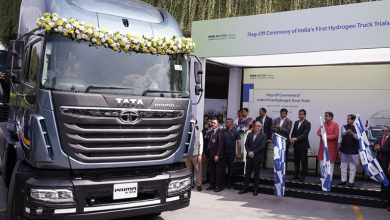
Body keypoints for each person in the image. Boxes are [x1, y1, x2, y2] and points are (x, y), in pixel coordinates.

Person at [238, 121, 267, 196]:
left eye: (258, 126)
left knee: (256, 174)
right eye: (255, 125)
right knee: (247, 173)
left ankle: (255, 189)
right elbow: (246, 144)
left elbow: (262, 146)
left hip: (257, 157)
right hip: (249, 157)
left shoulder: (263, 135)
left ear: (261, 127)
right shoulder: (250, 134)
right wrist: (249, 152)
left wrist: (253, 152)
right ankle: (245, 188)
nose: (256, 127)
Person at [316, 111, 339, 184]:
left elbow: (335, 135)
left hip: (331, 148)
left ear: (331, 117)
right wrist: (321, 134)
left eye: (326, 116)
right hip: (323, 147)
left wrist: (326, 137)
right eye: (324, 116)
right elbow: (318, 132)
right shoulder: (323, 124)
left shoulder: (335, 125)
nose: (325, 117)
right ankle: (322, 178)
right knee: (322, 164)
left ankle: (329, 179)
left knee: (330, 165)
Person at [337, 114, 359, 187]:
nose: (347, 120)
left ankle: (351, 182)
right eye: (347, 119)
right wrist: (347, 132)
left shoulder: (358, 128)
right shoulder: (344, 127)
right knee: (343, 166)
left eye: (349, 119)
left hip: (353, 150)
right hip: (344, 149)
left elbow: (358, 138)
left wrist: (352, 134)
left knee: (352, 168)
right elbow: (342, 134)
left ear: (353, 120)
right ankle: (343, 180)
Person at [290, 109, 311, 182]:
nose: (299, 115)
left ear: (305, 115)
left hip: (303, 145)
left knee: (303, 161)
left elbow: (304, 134)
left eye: (301, 114)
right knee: (296, 160)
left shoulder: (307, 123)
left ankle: (302, 176)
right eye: (299, 114)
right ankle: (296, 174)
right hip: (296, 144)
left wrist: (296, 139)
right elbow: (293, 132)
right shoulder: (296, 122)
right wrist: (292, 138)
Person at [206, 118, 225, 192]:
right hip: (211, 155)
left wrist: (217, 155)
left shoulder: (220, 132)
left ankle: (219, 185)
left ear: (218, 124)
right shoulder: (211, 132)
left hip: (217, 156)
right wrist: (206, 153)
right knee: (212, 171)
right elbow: (209, 143)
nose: (213, 124)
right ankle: (212, 185)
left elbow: (220, 145)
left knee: (218, 171)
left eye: (214, 123)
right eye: (212, 123)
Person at [271, 108, 292, 176]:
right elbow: (272, 128)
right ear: (280, 113)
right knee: (276, 157)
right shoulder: (276, 120)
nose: (282, 114)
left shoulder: (289, 121)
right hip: (277, 141)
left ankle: (283, 173)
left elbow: (288, 131)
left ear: (286, 114)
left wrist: (280, 128)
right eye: (281, 113)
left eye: (284, 113)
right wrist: (276, 129)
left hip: (284, 142)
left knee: (284, 158)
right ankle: (275, 172)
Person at [223, 118, 241, 189]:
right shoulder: (223, 131)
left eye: (227, 122)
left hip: (231, 153)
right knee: (223, 168)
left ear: (231, 123)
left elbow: (239, 143)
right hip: (223, 153)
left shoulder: (236, 132)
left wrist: (239, 153)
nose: (225, 123)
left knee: (230, 169)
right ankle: (223, 183)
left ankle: (229, 183)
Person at [185, 120, 203, 191]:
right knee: (189, 171)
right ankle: (190, 184)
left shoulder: (199, 133)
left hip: (195, 154)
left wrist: (200, 154)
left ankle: (198, 184)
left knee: (197, 170)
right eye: (190, 124)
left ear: (196, 124)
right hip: (187, 155)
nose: (191, 125)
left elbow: (201, 144)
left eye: (192, 124)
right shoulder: (186, 132)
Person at [374, 126, 390, 200]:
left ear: (389, 131)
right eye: (382, 130)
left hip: (387, 162)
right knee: (382, 178)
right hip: (380, 161)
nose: (383, 132)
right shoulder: (380, 139)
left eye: (385, 131)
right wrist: (376, 149)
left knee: (386, 178)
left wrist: (380, 148)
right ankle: (382, 193)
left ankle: (386, 194)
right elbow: (375, 148)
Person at [202, 118, 213, 184]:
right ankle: (204, 179)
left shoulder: (215, 130)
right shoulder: (204, 130)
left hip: (212, 151)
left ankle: (212, 180)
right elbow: (202, 140)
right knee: (204, 166)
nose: (209, 123)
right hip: (205, 150)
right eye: (208, 121)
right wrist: (206, 135)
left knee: (212, 166)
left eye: (210, 121)